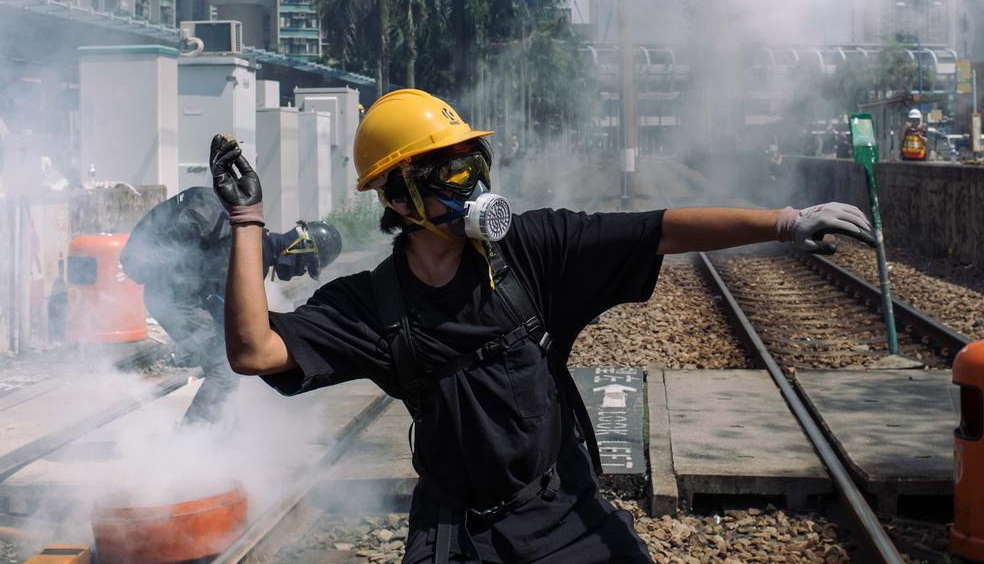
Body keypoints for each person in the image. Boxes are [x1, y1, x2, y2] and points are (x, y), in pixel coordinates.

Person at [209, 89, 874, 564]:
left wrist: (786, 221)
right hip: (457, 534)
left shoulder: (536, 250)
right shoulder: (370, 305)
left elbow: (661, 228)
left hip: (563, 513)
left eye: (475, 163)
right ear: (394, 196)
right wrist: (248, 224)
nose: (471, 183)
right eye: (448, 171)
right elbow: (254, 349)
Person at [120, 186, 341, 426]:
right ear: (300, 246)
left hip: (181, 298)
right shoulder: (252, 249)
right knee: (223, 371)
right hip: (176, 299)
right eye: (306, 265)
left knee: (228, 365)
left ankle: (221, 427)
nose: (300, 272)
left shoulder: (257, 254)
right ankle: (193, 438)